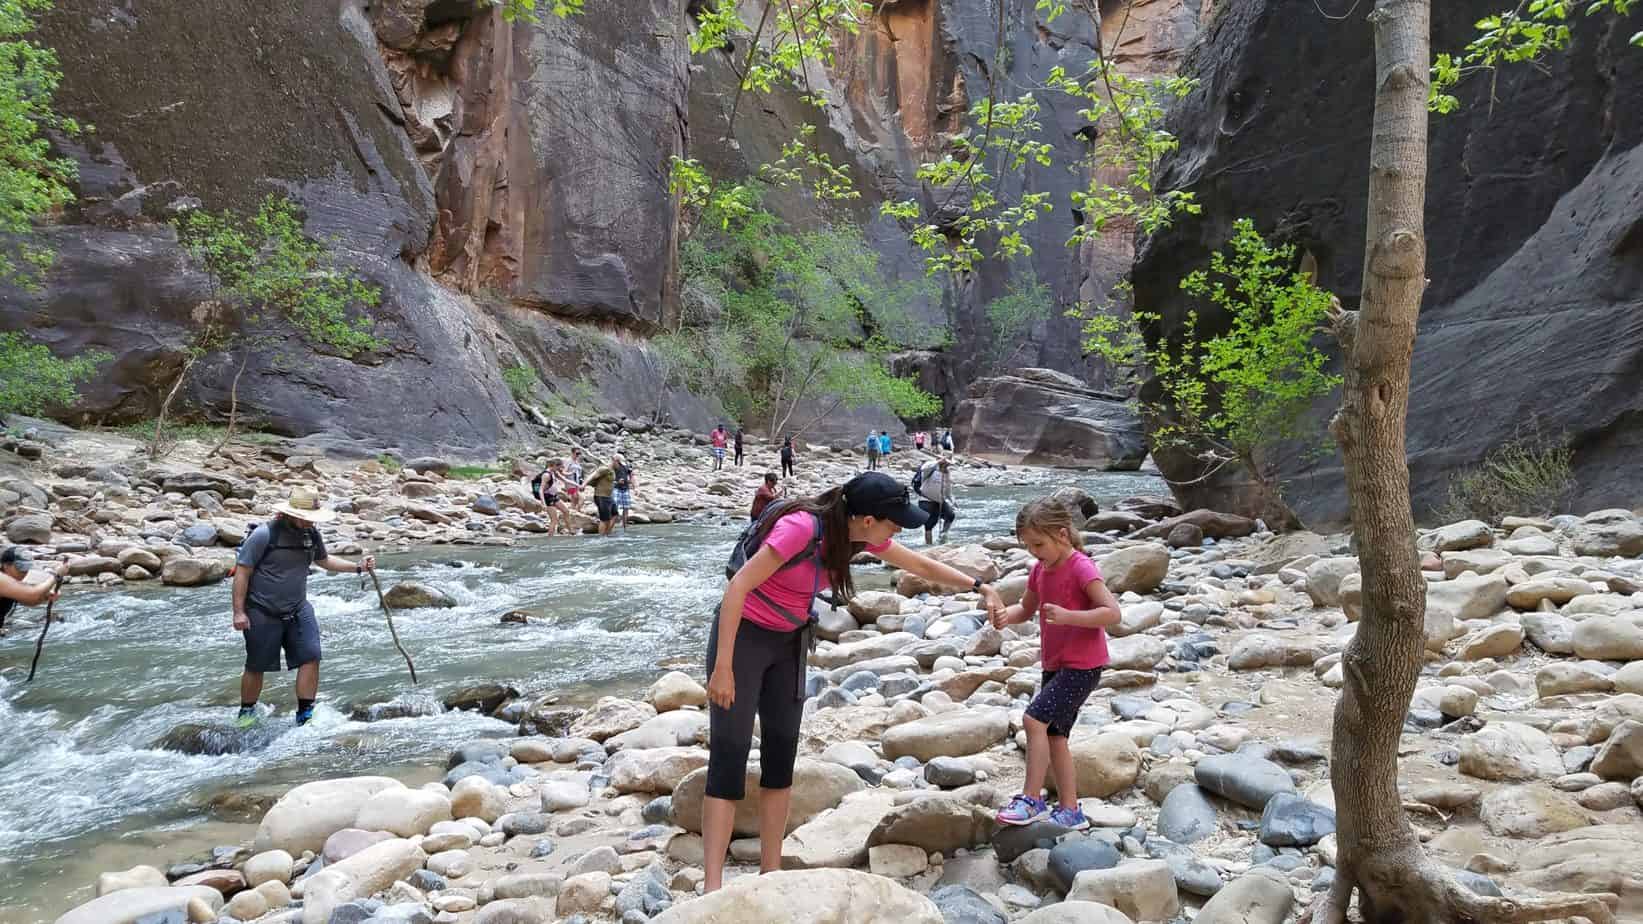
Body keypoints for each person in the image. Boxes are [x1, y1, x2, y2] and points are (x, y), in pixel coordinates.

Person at [702, 472, 1007, 892]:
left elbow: (917, 564)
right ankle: (711, 889)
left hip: (789, 643)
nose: (898, 528)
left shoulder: (860, 535)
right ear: (866, 519)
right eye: (894, 521)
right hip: (743, 640)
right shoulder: (800, 529)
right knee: (729, 758)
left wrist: (979, 585)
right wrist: (722, 668)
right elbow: (738, 587)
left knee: (780, 755)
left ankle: (770, 874)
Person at [990, 498, 1121, 829]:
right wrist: (1005, 617)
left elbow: (1112, 613)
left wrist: (1069, 617)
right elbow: (1026, 609)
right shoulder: (1039, 570)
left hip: (1083, 666)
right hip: (1056, 664)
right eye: (1028, 545)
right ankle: (1070, 809)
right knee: (1055, 735)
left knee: (1034, 720)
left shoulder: (1081, 568)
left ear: (1062, 535)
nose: (1034, 551)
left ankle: (1031, 798)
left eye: (1038, 544)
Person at [233, 488, 376, 728]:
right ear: (291, 514)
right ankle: (247, 711)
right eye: (306, 516)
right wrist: (239, 611)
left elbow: (324, 560)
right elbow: (242, 572)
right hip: (261, 609)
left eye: (313, 517)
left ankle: (304, 713)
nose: (310, 521)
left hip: (298, 608)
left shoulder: (311, 534)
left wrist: (358, 567)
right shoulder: (263, 534)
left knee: (311, 656)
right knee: (256, 664)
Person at [0, 547, 67, 636]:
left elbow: (31, 601)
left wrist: (45, 596)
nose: (24, 572)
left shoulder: (11, 583)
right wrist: (56, 575)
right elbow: (33, 595)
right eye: (20, 568)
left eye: (26, 569)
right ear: (6, 565)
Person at [915, 456, 957, 545]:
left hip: (940, 501)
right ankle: (929, 546)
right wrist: (937, 462)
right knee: (929, 523)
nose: (947, 465)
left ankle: (943, 536)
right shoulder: (930, 470)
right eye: (946, 463)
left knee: (950, 515)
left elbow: (948, 491)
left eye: (948, 464)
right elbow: (924, 468)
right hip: (926, 500)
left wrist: (953, 501)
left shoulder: (947, 474)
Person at [534, 459, 573, 535]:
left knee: (566, 511)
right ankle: (549, 539)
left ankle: (571, 531)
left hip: (554, 496)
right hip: (547, 498)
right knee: (554, 520)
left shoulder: (554, 472)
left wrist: (579, 485)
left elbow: (565, 480)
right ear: (554, 466)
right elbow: (540, 490)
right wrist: (543, 503)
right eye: (559, 467)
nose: (560, 469)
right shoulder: (546, 475)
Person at [583, 457, 618, 536]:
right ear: (615, 461)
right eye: (619, 463)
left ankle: (607, 534)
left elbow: (608, 481)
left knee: (615, 514)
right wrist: (583, 485)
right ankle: (601, 538)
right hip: (601, 496)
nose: (620, 466)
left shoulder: (612, 470)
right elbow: (592, 476)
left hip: (609, 497)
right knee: (604, 519)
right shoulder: (604, 469)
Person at [612, 452, 636, 533]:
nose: (615, 461)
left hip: (625, 488)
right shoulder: (613, 465)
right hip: (616, 488)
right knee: (615, 507)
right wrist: (616, 481)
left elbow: (632, 476)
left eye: (616, 460)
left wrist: (635, 487)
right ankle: (611, 526)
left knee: (626, 508)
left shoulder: (628, 466)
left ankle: (624, 527)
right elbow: (610, 475)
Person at [564, 447, 586, 512]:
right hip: (570, 484)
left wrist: (582, 482)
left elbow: (579, 474)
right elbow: (563, 472)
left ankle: (573, 513)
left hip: (577, 483)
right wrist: (570, 473)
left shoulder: (577, 462)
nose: (578, 455)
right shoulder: (568, 461)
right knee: (581, 498)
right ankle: (576, 512)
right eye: (577, 453)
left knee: (574, 501)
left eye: (579, 454)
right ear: (572, 453)